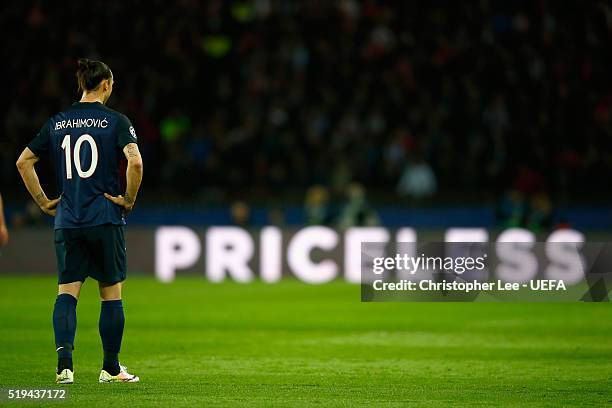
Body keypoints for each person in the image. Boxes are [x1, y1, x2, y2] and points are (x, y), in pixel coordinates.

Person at [16, 58, 143, 384]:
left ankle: (64, 367)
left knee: (67, 294)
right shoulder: (115, 121)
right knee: (111, 295)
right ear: (106, 85)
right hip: (104, 218)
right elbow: (136, 162)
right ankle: (110, 368)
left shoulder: (57, 122)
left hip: (69, 219)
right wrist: (128, 199)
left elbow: (24, 162)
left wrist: (44, 201)